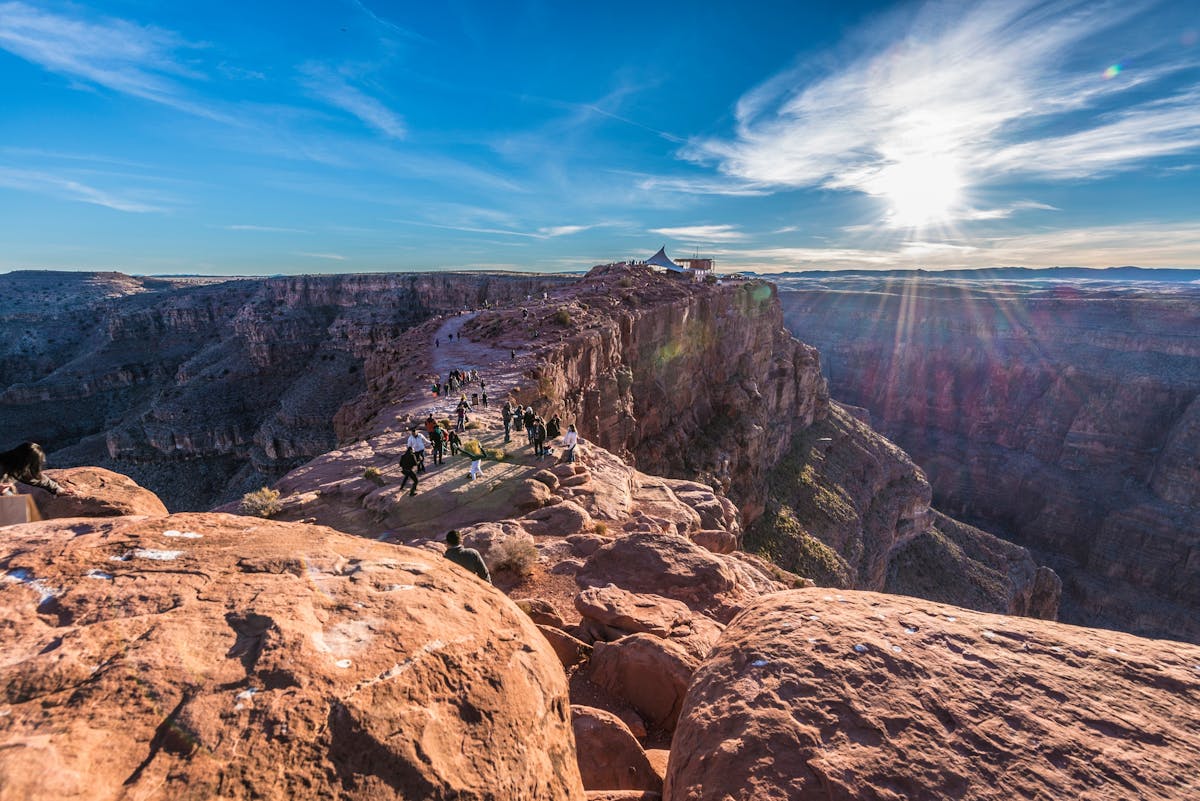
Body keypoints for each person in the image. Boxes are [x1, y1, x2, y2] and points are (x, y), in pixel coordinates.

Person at [0, 442, 71, 496]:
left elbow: (37, 478)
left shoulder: (17, 467)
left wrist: (58, 489)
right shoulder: (4, 466)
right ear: (25, 462)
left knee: (12, 499)